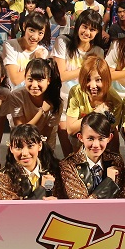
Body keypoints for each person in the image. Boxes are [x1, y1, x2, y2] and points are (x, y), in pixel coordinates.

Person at [53, 9, 105, 153]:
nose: (87, 32)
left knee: (83, 149)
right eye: (85, 27)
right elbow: (61, 76)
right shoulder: (63, 41)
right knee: (68, 152)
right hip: (63, 101)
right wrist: (86, 66)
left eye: (92, 30)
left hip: (85, 104)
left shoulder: (98, 51)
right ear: (78, 25)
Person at [59, 112, 125, 199]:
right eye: (90, 139)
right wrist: (109, 182)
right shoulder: (69, 165)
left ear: (109, 138)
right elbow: (83, 204)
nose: (96, 145)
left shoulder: (116, 161)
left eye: (101, 138)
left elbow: (121, 198)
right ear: (80, 137)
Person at [0, 123, 62, 200]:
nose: (25, 153)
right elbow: (13, 207)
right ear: (11, 149)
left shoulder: (55, 171)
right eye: (18, 147)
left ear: (40, 145)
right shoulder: (4, 177)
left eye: (30, 146)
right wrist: (42, 189)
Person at [8, 58, 63, 149]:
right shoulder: (17, 96)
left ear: (48, 80)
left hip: (45, 144)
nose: (34, 85)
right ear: (24, 78)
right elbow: (21, 132)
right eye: (30, 79)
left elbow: (46, 134)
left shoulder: (56, 102)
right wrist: (41, 111)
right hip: (21, 144)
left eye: (40, 80)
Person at [64, 55, 121, 137]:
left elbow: (107, 131)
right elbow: (71, 130)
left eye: (98, 80)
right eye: (88, 80)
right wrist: (97, 112)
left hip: (102, 137)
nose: (93, 86)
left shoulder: (115, 101)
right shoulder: (76, 92)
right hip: (79, 135)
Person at [2, 11, 50, 89]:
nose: (35, 37)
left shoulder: (43, 52)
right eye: (31, 30)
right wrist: (36, 61)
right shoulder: (10, 46)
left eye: (40, 33)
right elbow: (15, 80)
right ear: (24, 26)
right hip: (11, 94)